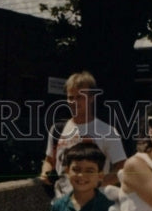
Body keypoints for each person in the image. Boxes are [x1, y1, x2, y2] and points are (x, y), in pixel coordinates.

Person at [38, 71, 127, 199]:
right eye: (70, 97)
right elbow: (49, 161)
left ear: (92, 98)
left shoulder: (107, 131)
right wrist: (45, 173)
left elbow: (122, 168)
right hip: (61, 205)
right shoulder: (57, 129)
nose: (74, 102)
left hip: (94, 207)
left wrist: (98, 184)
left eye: (80, 97)